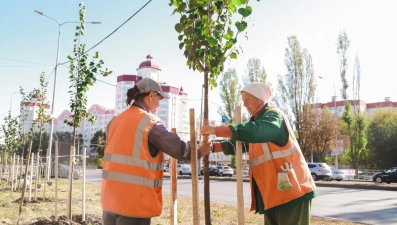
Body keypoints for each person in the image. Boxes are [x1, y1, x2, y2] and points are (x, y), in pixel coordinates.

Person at [200, 82, 317, 225]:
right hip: (275, 193)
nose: (244, 104)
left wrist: (217, 130)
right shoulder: (258, 122)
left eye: (248, 99)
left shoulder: (274, 117)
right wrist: (213, 147)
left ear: (259, 97)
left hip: (293, 191)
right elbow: (243, 144)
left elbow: (256, 131)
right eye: (243, 101)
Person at [101, 77, 212, 225]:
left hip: (109, 201)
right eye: (159, 98)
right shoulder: (149, 122)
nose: (159, 104)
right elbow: (178, 149)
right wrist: (199, 151)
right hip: (134, 204)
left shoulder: (114, 122)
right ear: (151, 95)